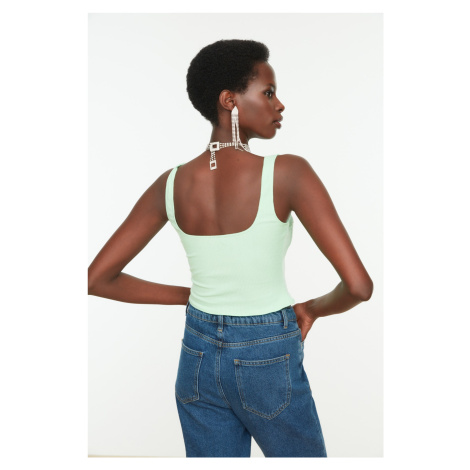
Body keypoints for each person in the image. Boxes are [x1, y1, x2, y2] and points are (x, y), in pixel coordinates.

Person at [88, 39, 373, 458]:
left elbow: (96, 279)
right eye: (269, 92)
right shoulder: (288, 173)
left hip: (197, 356)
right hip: (267, 355)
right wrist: (312, 310)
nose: (279, 105)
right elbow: (359, 287)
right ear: (229, 101)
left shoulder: (170, 184)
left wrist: (193, 298)